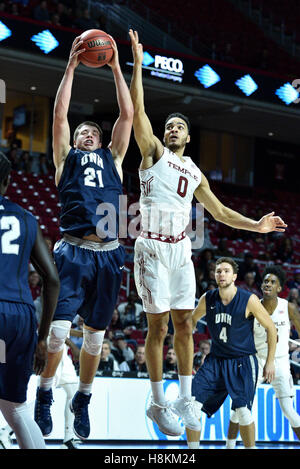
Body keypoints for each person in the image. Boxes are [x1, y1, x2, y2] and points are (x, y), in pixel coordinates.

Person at [129, 28, 287, 437]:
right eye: (170, 125)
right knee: (158, 327)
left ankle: (183, 396)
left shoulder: (195, 170)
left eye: (179, 126)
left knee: (184, 325)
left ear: (189, 135)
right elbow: (138, 111)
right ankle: (158, 402)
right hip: (151, 247)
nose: (173, 129)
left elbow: (219, 212)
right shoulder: (153, 153)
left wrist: (256, 225)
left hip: (181, 249)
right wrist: (136, 66)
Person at [34, 35, 133, 441]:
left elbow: (127, 115)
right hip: (72, 252)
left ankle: (84, 398)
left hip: (108, 255)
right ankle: (44, 392)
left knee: (95, 339)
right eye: (82, 131)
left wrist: (114, 68)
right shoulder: (65, 159)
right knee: (58, 333)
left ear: (102, 139)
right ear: (74, 141)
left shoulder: (115, 158)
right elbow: (59, 114)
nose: (87, 134)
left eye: (92, 130)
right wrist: (72, 67)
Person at [0, 152, 60, 449]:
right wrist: (42, 338)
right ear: (8, 182)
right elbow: (52, 279)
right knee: (15, 408)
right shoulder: (26, 217)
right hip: (21, 318)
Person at [186, 257, 277, 450]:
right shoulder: (208, 298)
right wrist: (186, 342)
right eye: (218, 271)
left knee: (242, 411)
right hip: (216, 361)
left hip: (242, 362)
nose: (222, 274)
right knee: (192, 406)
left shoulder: (248, 299)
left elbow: (271, 328)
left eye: (226, 271)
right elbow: (190, 322)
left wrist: (269, 362)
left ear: (234, 276)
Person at [226, 265, 300, 448]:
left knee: (290, 411)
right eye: (266, 281)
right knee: (239, 408)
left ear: (279, 288)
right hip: (256, 361)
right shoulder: (252, 307)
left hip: (281, 362)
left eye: (272, 282)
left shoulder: (288, 307)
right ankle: (229, 445)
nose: (268, 284)